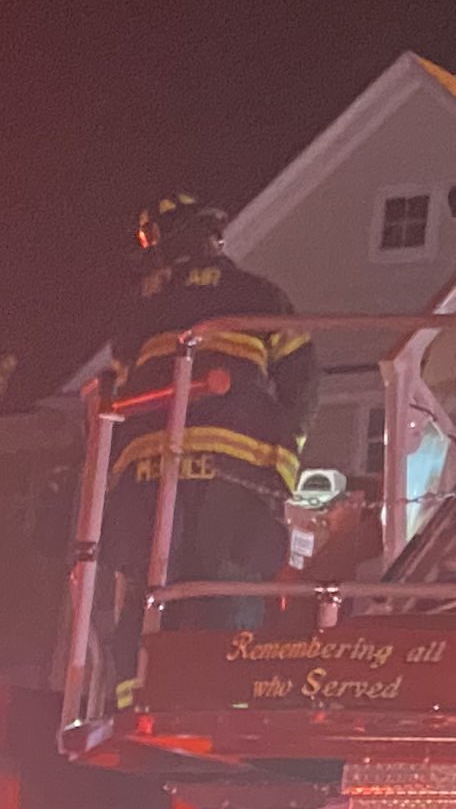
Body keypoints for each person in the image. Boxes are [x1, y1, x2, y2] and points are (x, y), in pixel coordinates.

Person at [100, 194, 319, 642]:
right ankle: (222, 694)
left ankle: (131, 697)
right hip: (237, 480)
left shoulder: (143, 312)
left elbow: (120, 391)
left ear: (163, 244)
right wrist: (283, 460)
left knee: (147, 599)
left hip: (149, 476)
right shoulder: (261, 296)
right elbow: (303, 382)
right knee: (229, 593)